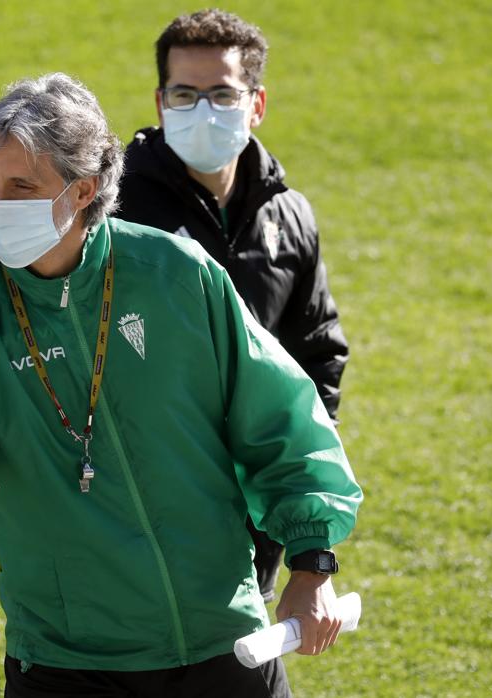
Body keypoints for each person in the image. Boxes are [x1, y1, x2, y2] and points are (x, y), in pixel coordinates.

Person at [0, 74, 362, 697]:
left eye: (22, 186)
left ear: (82, 191)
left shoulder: (178, 275)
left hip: (220, 641)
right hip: (64, 660)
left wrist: (312, 558)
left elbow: (281, 420)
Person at [117, 9, 350, 604]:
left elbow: (316, 352)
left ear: (257, 103)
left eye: (221, 94)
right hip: (136, 509)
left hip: (252, 516)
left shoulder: (289, 213)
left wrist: (292, 476)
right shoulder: (113, 213)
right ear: (160, 100)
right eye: (185, 94)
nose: (202, 110)